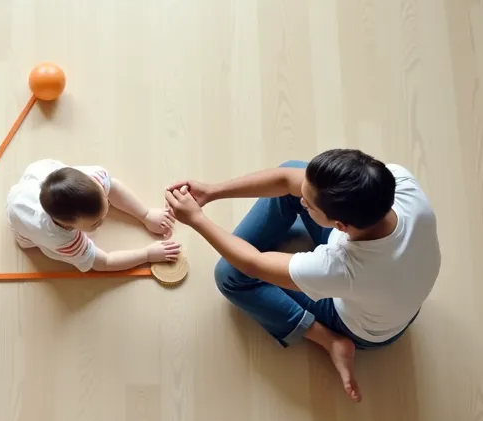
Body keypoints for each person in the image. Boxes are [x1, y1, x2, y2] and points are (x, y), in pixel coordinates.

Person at [164, 149, 441, 402]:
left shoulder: (342, 268)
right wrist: (212, 191)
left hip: (365, 329)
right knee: (297, 171)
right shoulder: (399, 183)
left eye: (308, 205)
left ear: (340, 225)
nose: (302, 199)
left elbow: (252, 263)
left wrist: (197, 219)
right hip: (395, 299)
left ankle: (329, 340)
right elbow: (288, 177)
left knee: (229, 274)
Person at [7, 159, 182, 272]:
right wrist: (147, 254)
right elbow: (104, 262)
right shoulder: (63, 241)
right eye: (95, 224)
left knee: (102, 187)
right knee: (27, 243)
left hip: (37, 174)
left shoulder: (93, 180)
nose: (102, 223)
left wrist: (146, 214)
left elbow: (111, 186)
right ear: (67, 225)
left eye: (106, 205)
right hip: (22, 221)